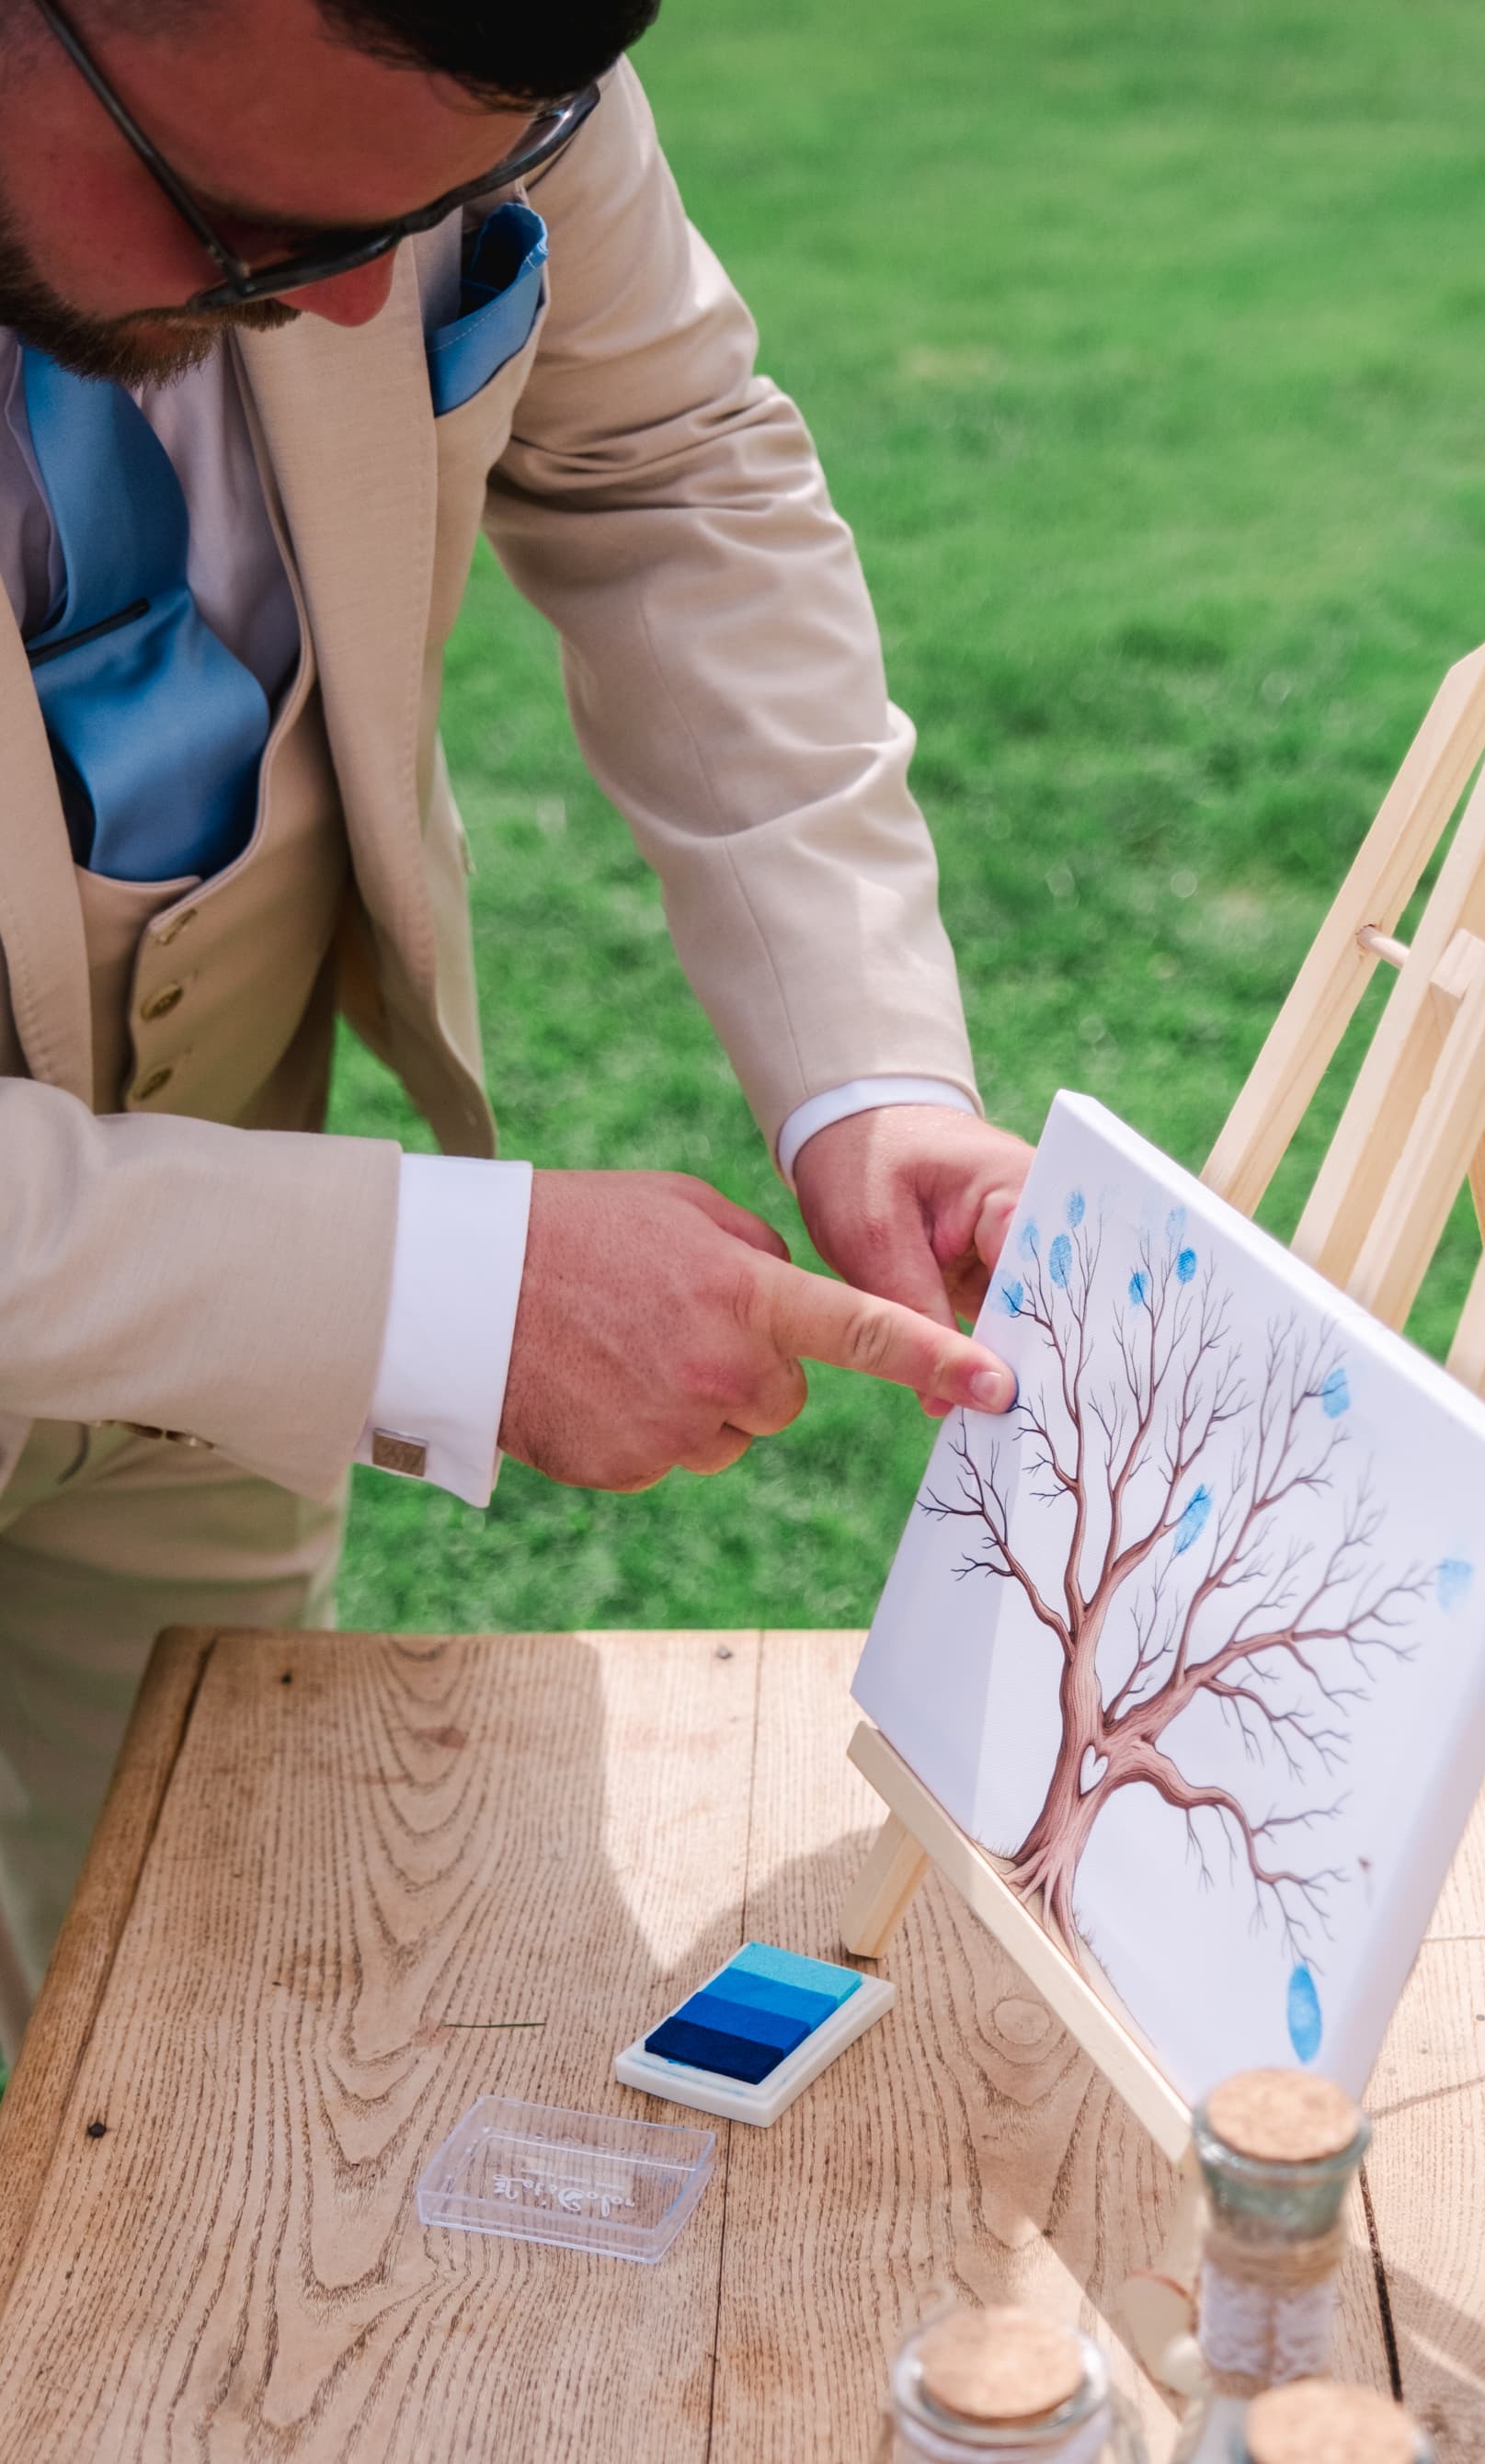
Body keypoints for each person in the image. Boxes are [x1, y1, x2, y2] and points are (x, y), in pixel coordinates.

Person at [0, 0, 1033, 2048]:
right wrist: (440, 1296)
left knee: (164, 2031)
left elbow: (667, 457)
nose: (363, 300)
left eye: (449, 209)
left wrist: (866, 1064)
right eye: (244, 226)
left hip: (204, 1367)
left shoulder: (446, 70)